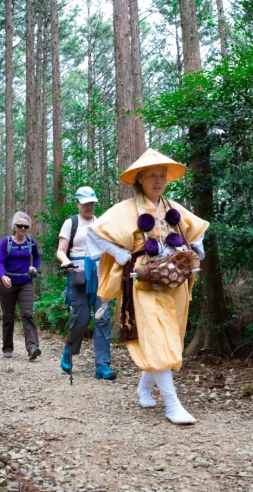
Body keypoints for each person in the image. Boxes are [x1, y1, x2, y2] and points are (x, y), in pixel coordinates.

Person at [87, 149, 208, 424]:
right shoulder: (127, 210)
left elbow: (195, 233)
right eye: (152, 175)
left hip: (174, 281)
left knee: (170, 336)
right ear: (139, 179)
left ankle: (144, 388)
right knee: (156, 336)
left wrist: (194, 251)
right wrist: (119, 254)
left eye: (162, 175)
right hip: (144, 282)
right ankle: (172, 404)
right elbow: (97, 233)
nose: (158, 180)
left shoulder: (172, 207)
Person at [57, 186, 116, 380]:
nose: (89, 206)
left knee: (103, 318)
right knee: (81, 318)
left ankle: (102, 365)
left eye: (91, 202)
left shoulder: (101, 223)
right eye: (85, 203)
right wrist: (66, 262)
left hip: (100, 275)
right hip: (78, 275)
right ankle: (69, 349)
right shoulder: (71, 223)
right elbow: (61, 250)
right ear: (77, 203)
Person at [0, 212, 41, 360]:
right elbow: (0, 261)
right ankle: (7, 347)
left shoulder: (31, 242)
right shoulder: (6, 242)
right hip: (8, 284)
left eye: (25, 226)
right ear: (14, 227)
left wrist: (34, 267)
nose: (22, 228)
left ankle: (32, 347)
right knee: (8, 316)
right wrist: (2, 276)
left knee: (27, 314)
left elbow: (37, 256)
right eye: (19, 225)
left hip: (25, 283)